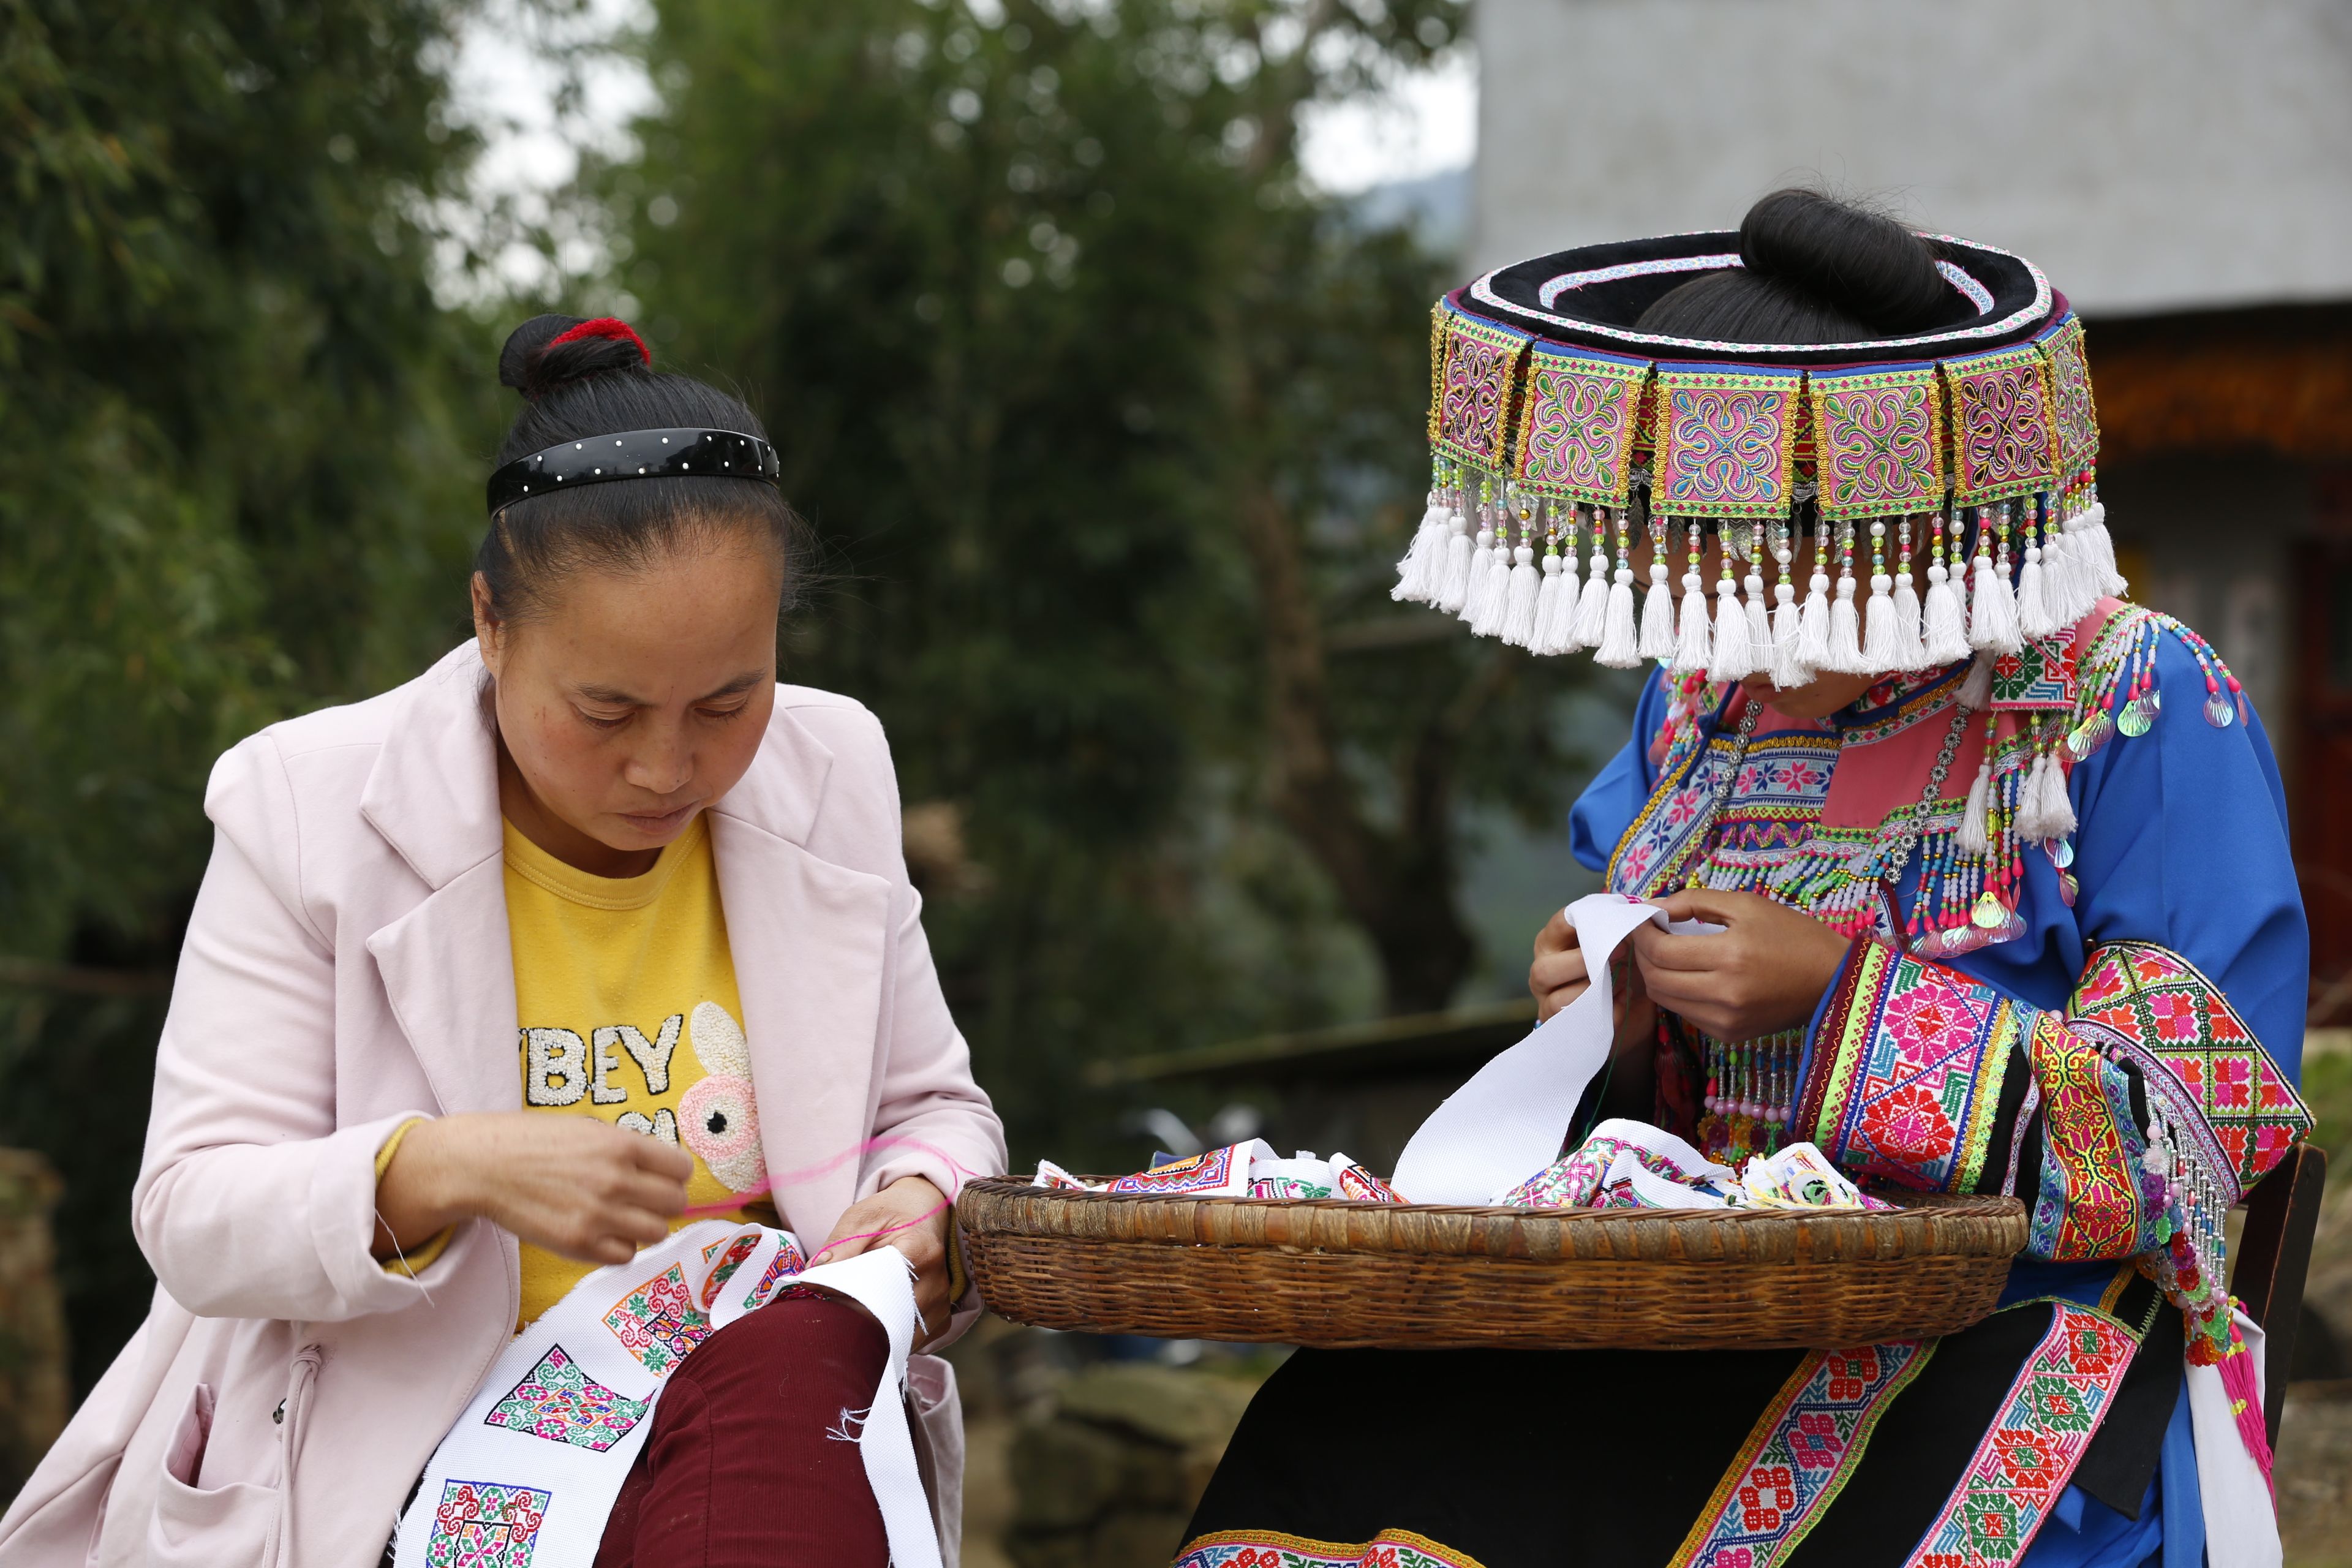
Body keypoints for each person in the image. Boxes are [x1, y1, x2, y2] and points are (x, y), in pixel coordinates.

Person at [1177, 193, 2312, 1568]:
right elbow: (1658, 1127)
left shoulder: (2129, 698)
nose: (1699, 597)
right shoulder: (1699, 713)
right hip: (1692, 1316)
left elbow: (2190, 1141)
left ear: (1895, 518)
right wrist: (1615, 1032)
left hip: (1996, 1342)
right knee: (1343, 1436)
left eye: (1742, 550)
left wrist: (1840, 997)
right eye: (1676, 544)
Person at [0, 315, 1006, 1567]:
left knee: (793, 1359)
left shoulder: (832, 763)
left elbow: (934, 1109)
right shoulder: (307, 804)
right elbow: (193, 1212)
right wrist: (447, 1165)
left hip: (760, 1410)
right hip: (418, 1445)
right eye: (607, 710)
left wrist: (919, 1198)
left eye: (728, 701)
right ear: (490, 623)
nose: (667, 767)